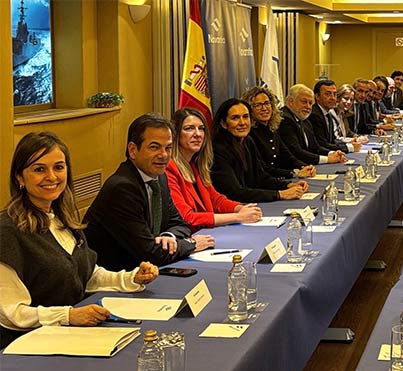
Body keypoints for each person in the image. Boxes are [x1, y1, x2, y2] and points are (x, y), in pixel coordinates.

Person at [1, 132, 159, 342]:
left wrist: (131, 278)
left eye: (59, 167)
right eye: (39, 169)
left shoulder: (63, 220)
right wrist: (68, 315)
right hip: (28, 344)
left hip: (69, 334)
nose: (52, 177)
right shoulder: (7, 232)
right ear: (19, 177)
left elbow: (84, 276)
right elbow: (11, 313)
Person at [84, 114, 215, 271]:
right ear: (133, 150)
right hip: (116, 277)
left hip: (147, 271)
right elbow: (150, 253)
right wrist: (191, 244)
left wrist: (168, 237)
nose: (163, 155)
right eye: (154, 147)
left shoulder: (160, 178)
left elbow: (180, 224)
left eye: (168, 148)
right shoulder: (122, 188)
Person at [166, 107, 262, 232]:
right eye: (189, 128)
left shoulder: (195, 165)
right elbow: (186, 217)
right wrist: (238, 217)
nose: (197, 134)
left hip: (206, 234)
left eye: (201, 128)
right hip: (190, 238)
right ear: (175, 134)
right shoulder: (169, 169)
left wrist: (240, 208)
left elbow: (216, 200)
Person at [211, 98, 308, 202]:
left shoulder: (248, 141)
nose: (242, 123)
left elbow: (260, 178)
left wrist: (288, 185)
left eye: (246, 117)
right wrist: (279, 194)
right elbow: (235, 193)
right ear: (223, 123)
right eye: (235, 118)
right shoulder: (217, 150)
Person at [241, 86, 316, 179]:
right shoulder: (249, 134)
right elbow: (263, 169)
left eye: (267, 103)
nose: (264, 108)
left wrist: (304, 167)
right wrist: (294, 173)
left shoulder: (271, 129)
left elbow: (287, 156)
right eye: (258, 105)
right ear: (249, 109)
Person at [278, 84, 347, 166]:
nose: (308, 107)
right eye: (304, 102)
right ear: (291, 102)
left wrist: (332, 153)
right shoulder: (284, 119)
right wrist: (327, 159)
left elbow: (315, 147)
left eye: (310, 103)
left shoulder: (304, 119)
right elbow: (296, 152)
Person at [308, 79, 358, 154]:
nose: (332, 98)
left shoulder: (328, 113)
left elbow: (333, 140)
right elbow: (322, 144)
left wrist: (349, 144)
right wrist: (349, 147)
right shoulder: (314, 115)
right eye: (327, 94)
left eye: (334, 94)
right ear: (317, 96)